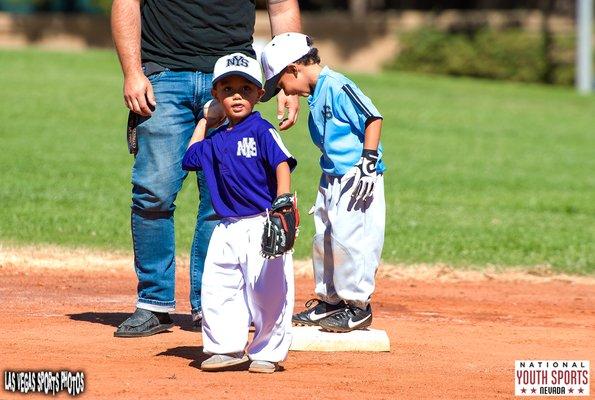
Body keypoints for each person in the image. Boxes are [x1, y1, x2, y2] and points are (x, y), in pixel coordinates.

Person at [111, 0, 301, 337]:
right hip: (164, 74)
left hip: (232, 76)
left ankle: (211, 304)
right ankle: (153, 302)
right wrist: (132, 72)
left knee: (223, 201)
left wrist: (288, 78)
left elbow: (282, 7)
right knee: (153, 193)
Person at [260, 33, 386, 333]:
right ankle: (330, 301)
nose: (284, 91)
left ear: (294, 69)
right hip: (331, 175)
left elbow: (373, 117)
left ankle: (358, 307)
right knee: (325, 237)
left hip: (357, 176)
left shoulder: (338, 85)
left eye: (281, 84)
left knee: (352, 238)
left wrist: (368, 162)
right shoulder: (316, 92)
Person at [182, 53, 297, 373]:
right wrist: (206, 120)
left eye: (246, 89)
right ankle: (226, 347)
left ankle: (267, 352)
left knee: (268, 291)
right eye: (228, 89)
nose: (237, 95)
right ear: (216, 95)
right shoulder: (217, 139)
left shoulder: (262, 130)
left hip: (262, 222)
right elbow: (190, 158)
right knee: (218, 287)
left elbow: (282, 163)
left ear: (260, 95)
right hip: (226, 227)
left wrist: (283, 202)